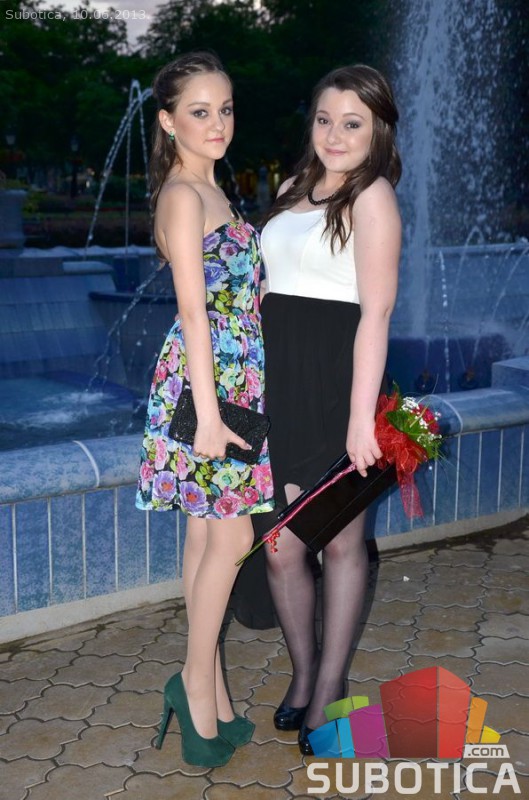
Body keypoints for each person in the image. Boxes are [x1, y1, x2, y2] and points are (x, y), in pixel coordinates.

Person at [135, 52, 274, 768]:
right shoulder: (183, 197)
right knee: (233, 536)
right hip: (206, 386)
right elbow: (193, 311)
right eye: (199, 112)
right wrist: (210, 414)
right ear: (168, 121)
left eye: (224, 109)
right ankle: (193, 683)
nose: (217, 123)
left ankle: (212, 692)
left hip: (232, 382)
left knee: (204, 537)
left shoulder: (216, 190)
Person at [259, 64, 402, 755]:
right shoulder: (290, 189)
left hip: (339, 382)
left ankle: (328, 689)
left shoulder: (372, 197)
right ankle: (304, 670)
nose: (335, 135)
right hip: (280, 384)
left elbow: (376, 313)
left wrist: (358, 418)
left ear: (377, 131)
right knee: (281, 547)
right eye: (324, 119)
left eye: (352, 123)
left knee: (340, 542)